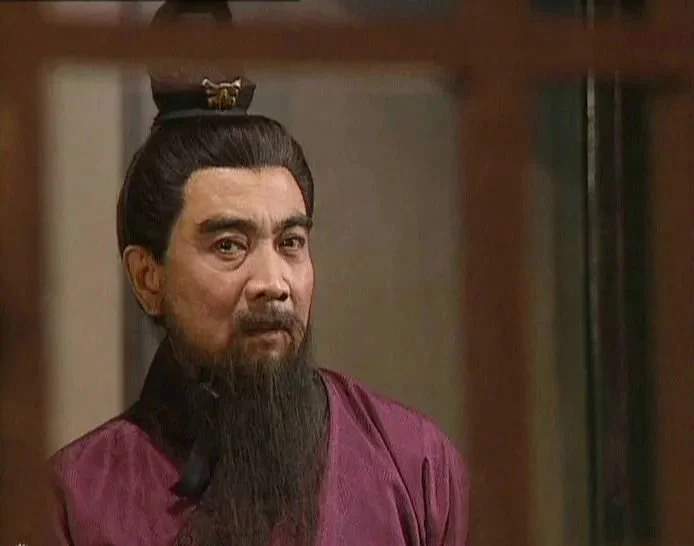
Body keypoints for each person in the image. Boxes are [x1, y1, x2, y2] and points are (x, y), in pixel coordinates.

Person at [50, 3, 469, 545]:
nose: (273, 282)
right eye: (229, 246)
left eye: (291, 243)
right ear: (149, 277)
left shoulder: (415, 466)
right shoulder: (76, 499)